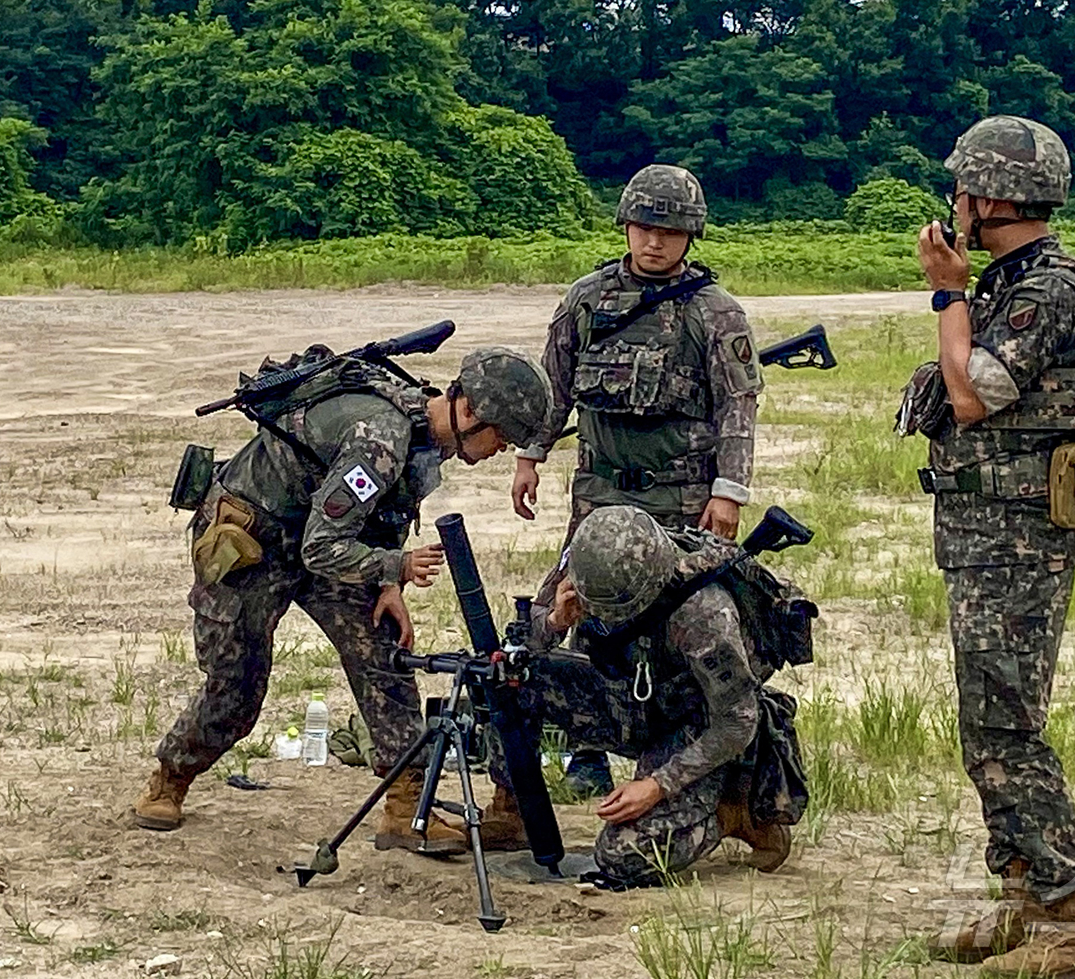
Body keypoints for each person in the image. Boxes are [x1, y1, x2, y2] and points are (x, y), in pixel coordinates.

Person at [133, 346, 551, 858]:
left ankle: (406, 807)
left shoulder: (426, 435)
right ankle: (169, 779)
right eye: (501, 436)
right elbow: (320, 547)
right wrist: (396, 567)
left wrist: (388, 587)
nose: (500, 450)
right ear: (469, 412)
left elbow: (387, 510)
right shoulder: (380, 440)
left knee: (384, 653)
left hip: (328, 539)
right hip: (253, 542)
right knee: (236, 689)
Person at [907, 115, 1075, 978]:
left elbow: (970, 395)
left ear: (989, 197)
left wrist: (947, 294)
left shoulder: (1049, 290)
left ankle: (1073, 915)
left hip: (1018, 539)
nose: (954, 200)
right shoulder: (1016, 280)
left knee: (1005, 722)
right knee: (985, 719)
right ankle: (1026, 897)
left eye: (963, 187)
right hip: (989, 532)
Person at [510, 164, 764, 796]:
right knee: (573, 607)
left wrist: (728, 492)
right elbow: (554, 386)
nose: (654, 241)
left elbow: (737, 407)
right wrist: (530, 456)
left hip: (680, 498)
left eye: (669, 231)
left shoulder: (715, 312)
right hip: (599, 492)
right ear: (625, 225)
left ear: (690, 236)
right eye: (644, 227)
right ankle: (584, 748)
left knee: (675, 619)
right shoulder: (586, 300)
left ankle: (686, 746)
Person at [477, 505, 806, 884]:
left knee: (622, 856)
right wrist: (553, 624)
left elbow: (736, 722)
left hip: (691, 723)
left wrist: (657, 785)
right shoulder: (587, 564)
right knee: (510, 681)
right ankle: (511, 808)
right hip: (626, 696)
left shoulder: (703, 613)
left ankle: (733, 812)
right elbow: (519, 649)